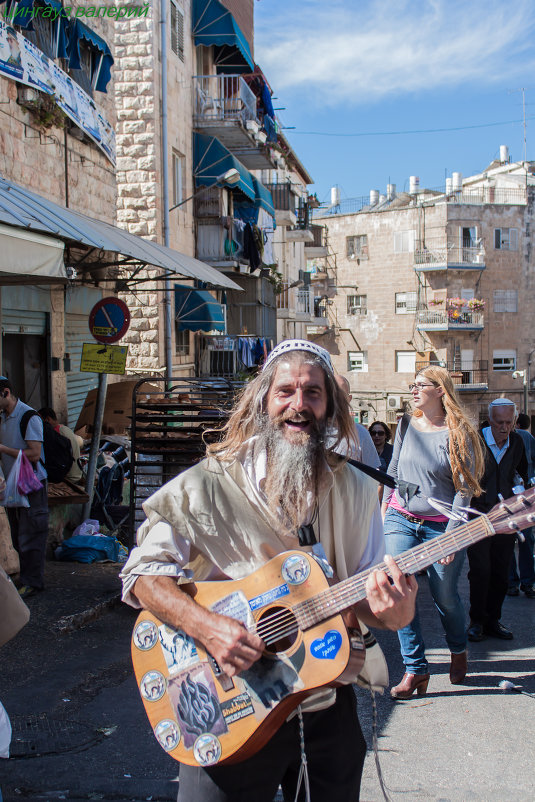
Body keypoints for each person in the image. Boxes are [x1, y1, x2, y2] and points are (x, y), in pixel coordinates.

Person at [121, 339, 417, 802]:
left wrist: (394, 613)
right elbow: (142, 577)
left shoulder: (358, 489)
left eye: (313, 393)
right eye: (286, 392)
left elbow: (370, 599)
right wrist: (208, 627)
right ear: (264, 400)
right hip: (232, 702)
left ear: (330, 406)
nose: (299, 406)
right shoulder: (209, 484)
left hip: (324, 700)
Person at [382, 366, 484, 697]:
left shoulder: (460, 432)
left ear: (440, 390)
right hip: (401, 516)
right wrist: (386, 508)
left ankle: (458, 649)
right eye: (412, 385)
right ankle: (415, 670)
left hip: (441, 526)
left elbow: (464, 488)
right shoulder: (406, 423)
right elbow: (393, 469)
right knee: (400, 591)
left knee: (445, 597)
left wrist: (454, 535)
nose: (414, 390)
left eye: (421, 385)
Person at [467, 399, 529, 641]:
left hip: (506, 516)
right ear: (490, 421)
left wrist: (519, 494)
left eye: (509, 423)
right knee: (481, 570)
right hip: (479, 514)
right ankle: (477, 621)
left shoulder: (518, 441)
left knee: (501, 572)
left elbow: (521, 473)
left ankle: (493, 619)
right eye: (499, 422)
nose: (504, 428)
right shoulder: (475, 441)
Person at [0, 378, 48, 599]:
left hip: (31, 485)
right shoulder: (3, 419)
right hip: (12, 485)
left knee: (32, 534)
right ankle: (27, 578)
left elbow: (34, 454)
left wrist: (3, 449)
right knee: (19, 535)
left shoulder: (29, 417)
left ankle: (33, 582)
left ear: (6, 393)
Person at [507, 412, 535, 597]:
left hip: (509, 497)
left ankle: (512, 583)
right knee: (526, 540)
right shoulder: (530, 438)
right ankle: (528, 583)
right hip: (526, 494)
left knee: (509, 539)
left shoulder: (512, 438)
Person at [334, 375, 380, 468]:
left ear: (349, 399)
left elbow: (372, 475)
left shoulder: (361, 433)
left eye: (341, 395)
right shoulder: (311, 431)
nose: (336, 399)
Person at [38, 407, 83, 484]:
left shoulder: (56, 433)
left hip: (69, 477)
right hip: (77, 474)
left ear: (48, 419)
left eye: (40, 421)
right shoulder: (65, 428)